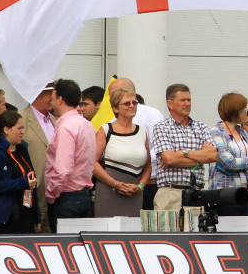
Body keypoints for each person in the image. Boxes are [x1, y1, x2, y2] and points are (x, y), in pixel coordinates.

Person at [151, 84, 217, 212]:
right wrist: (200, 157)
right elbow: (169, 159)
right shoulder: (161, 127)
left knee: (196, 230)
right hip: (170, 192)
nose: (187, 103)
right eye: (183, 100)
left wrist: (183, 153)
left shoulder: (201, 126)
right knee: (167, 231)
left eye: (189, 100)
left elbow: (212, 156)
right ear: (170, 104)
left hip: (197, 192)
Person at [44, 79, 95, 231]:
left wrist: (51, 194)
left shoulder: (66, 127)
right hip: (84, 195)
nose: (50, 100)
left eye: (52, 97)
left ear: (60, 99)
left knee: (63, 248)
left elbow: (63, 169)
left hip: (66, 198)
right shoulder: (86, 124)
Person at [93, 85, 151, 217]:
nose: (132, 106)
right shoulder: (106, 130)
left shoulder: (142, 132)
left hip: (135, 194)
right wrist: (115, 184)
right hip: (109, 192)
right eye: (127, 103)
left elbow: (148, 166)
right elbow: (93, 164)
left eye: (134, 102)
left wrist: (140, 187)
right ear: (115, 108)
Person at [0, 110, 38, 234]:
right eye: (19, 128)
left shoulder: (22, 150)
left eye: (23, 128)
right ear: (6, 130)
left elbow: (31, 181)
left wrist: (36, 215)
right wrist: (22, 183)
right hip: (5, 218)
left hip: (26, 214)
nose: (23, 132)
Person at [208, 93, 248, 216]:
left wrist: (238, 165)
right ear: (235, 111)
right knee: (228, 233)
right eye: (244, 108)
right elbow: (229, 162)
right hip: (227, 195)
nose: (246, 111)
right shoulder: (216, 132)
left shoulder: (243, 132)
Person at [21, 82, 57, 232]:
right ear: (35, 95)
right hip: (33, 191)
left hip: (53, 191)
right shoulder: (22, 118)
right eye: (48, 94)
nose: (52, 98)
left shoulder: (54, 120)